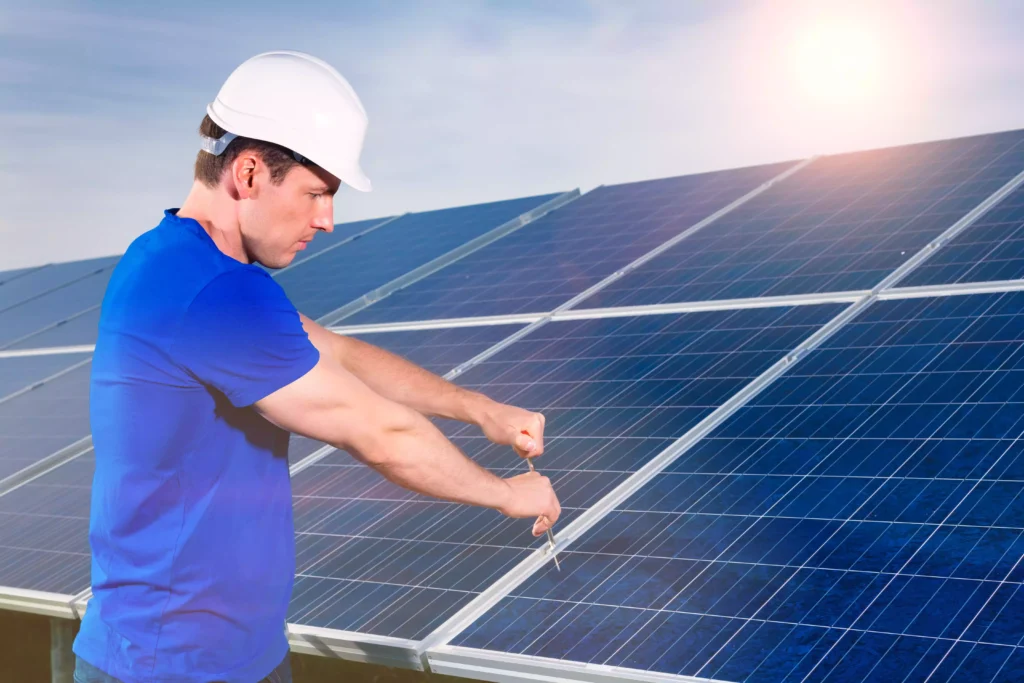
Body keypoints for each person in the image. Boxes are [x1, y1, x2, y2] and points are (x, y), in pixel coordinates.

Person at [71, 51, 561, 683]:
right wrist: (506, 494)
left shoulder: (182, 264)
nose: (327, 221)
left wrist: (480, 409)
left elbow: (335, 350)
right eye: (315, 194)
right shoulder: (210, 292)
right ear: (248, 172)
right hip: (173, 667)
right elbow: (379, 432)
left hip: (230, 655)